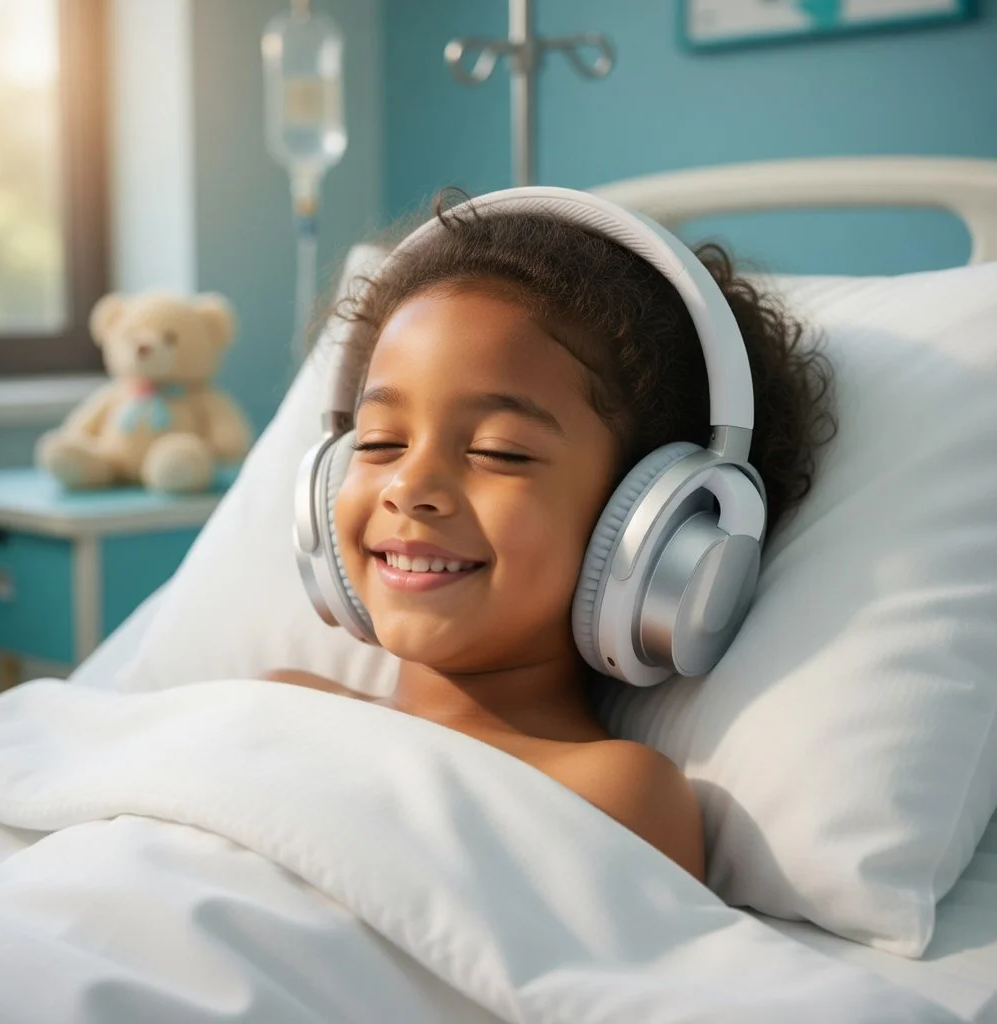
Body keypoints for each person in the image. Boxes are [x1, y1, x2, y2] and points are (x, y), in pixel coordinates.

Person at [266, 193, 835, 884]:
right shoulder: (281, 704)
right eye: (381, 441)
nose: (408, 487)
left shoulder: (614, 794)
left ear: (654, 523)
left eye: (501, 452)